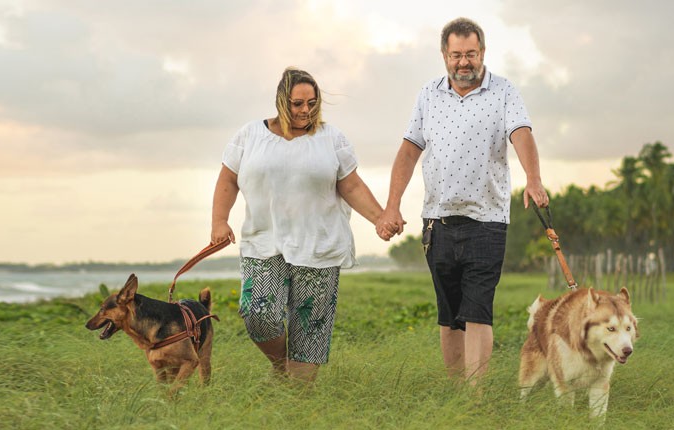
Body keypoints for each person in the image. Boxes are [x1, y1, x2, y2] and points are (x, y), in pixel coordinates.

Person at [375, 17, 550, 387]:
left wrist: (533, 179)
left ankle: (475, 398)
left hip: (487, 220)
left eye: (471, 54)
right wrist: (392, 206)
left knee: (477, 311)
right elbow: (408, 151)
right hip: (437, 221)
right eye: (456, 55)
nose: (464, 62)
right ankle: (457, 392)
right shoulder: (428, 94)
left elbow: (521, 134)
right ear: (444, 55)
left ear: (482, 53)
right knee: (450, 313)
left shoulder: (504, 91)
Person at [211, 67, 384, 382]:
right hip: (264, 243)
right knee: (257, 314)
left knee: (309, 333)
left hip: (319, 245)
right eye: (297, 104)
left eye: (312, 103)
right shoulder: (250, 135)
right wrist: (219, 222)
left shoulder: (331, 138)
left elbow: (352, 186)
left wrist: (380, 218)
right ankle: (280, 366)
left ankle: (297, 407)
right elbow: (228, 178)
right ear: (281, 101)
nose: (305, 110)